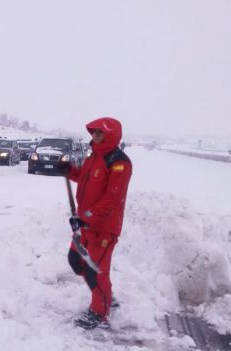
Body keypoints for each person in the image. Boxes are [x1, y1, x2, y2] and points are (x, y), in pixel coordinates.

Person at [58, 117, 132, 330]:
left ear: (110, 134)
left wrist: (86, 216)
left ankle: (100, 312)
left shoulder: (119, 162)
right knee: (75, 261)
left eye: (99, 132)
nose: (94, 136)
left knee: (94, 271)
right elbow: (83, 178)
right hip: (85, 224)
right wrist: (69, 170)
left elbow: (112, 198)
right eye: (93, 132)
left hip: (104, 228)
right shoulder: (94, 156)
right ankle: (104, 292)